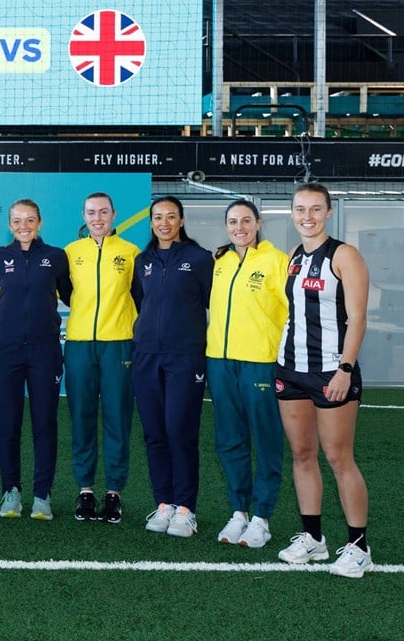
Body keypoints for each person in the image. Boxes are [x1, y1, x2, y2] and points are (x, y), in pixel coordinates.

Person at [274, 182, 373, 578]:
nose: (307, 216)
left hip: (332, 371)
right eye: (300, 209)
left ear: (328, 213)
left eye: (316, 209)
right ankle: (313, 539)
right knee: (301, 454)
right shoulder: (295, 256)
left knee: (339, 458)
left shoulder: (344, 255)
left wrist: (345, 369)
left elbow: (359, 318)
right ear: (293, 213)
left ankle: (359, 546)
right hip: (290, 369)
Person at [0, 199, 72, 520]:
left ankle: (42, 496)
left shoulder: (56, 257)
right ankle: (11, 493)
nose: (24, 226)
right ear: (9, 225)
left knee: (44, 423)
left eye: (30, 220)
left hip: (45, 352)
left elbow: (73, 296)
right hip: (6, 352)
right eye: (17, 221)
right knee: (8, 423)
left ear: (40, 222)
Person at [207, 200, 289, 549]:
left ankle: (262, 516)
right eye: (232, 221)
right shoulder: (220, 261)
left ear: (257, 223)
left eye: (245, 220)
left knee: (266, 440)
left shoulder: (276, 261)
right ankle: (239, 511)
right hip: (219, 362)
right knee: (230, 440)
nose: (238, 227)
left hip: (260, 362)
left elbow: (291, 315)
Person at [133, 196, 213, 538]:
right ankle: (164, 504)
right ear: (150, 222)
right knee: (154, 434)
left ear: (181, 220)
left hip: (186, 357)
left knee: (179, 431)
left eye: (170, 216)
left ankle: (185, 508)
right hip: (147, 356)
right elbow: (142, 301)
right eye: (157, 217)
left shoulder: (199, 259)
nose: (163, 222)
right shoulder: (143, 261)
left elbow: (213, 302)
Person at [63, 192, 139, 523]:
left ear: (113, 215)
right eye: (92, 212)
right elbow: (67, 295)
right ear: (83, 215)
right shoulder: (70, 253)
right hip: (79, 344)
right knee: (81, 415)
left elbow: (140, 298)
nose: (97, 218)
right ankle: (85, 491)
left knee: (117, 417)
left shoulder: (131, 253)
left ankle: (113, 493)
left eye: (103, 212)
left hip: (118, 344)